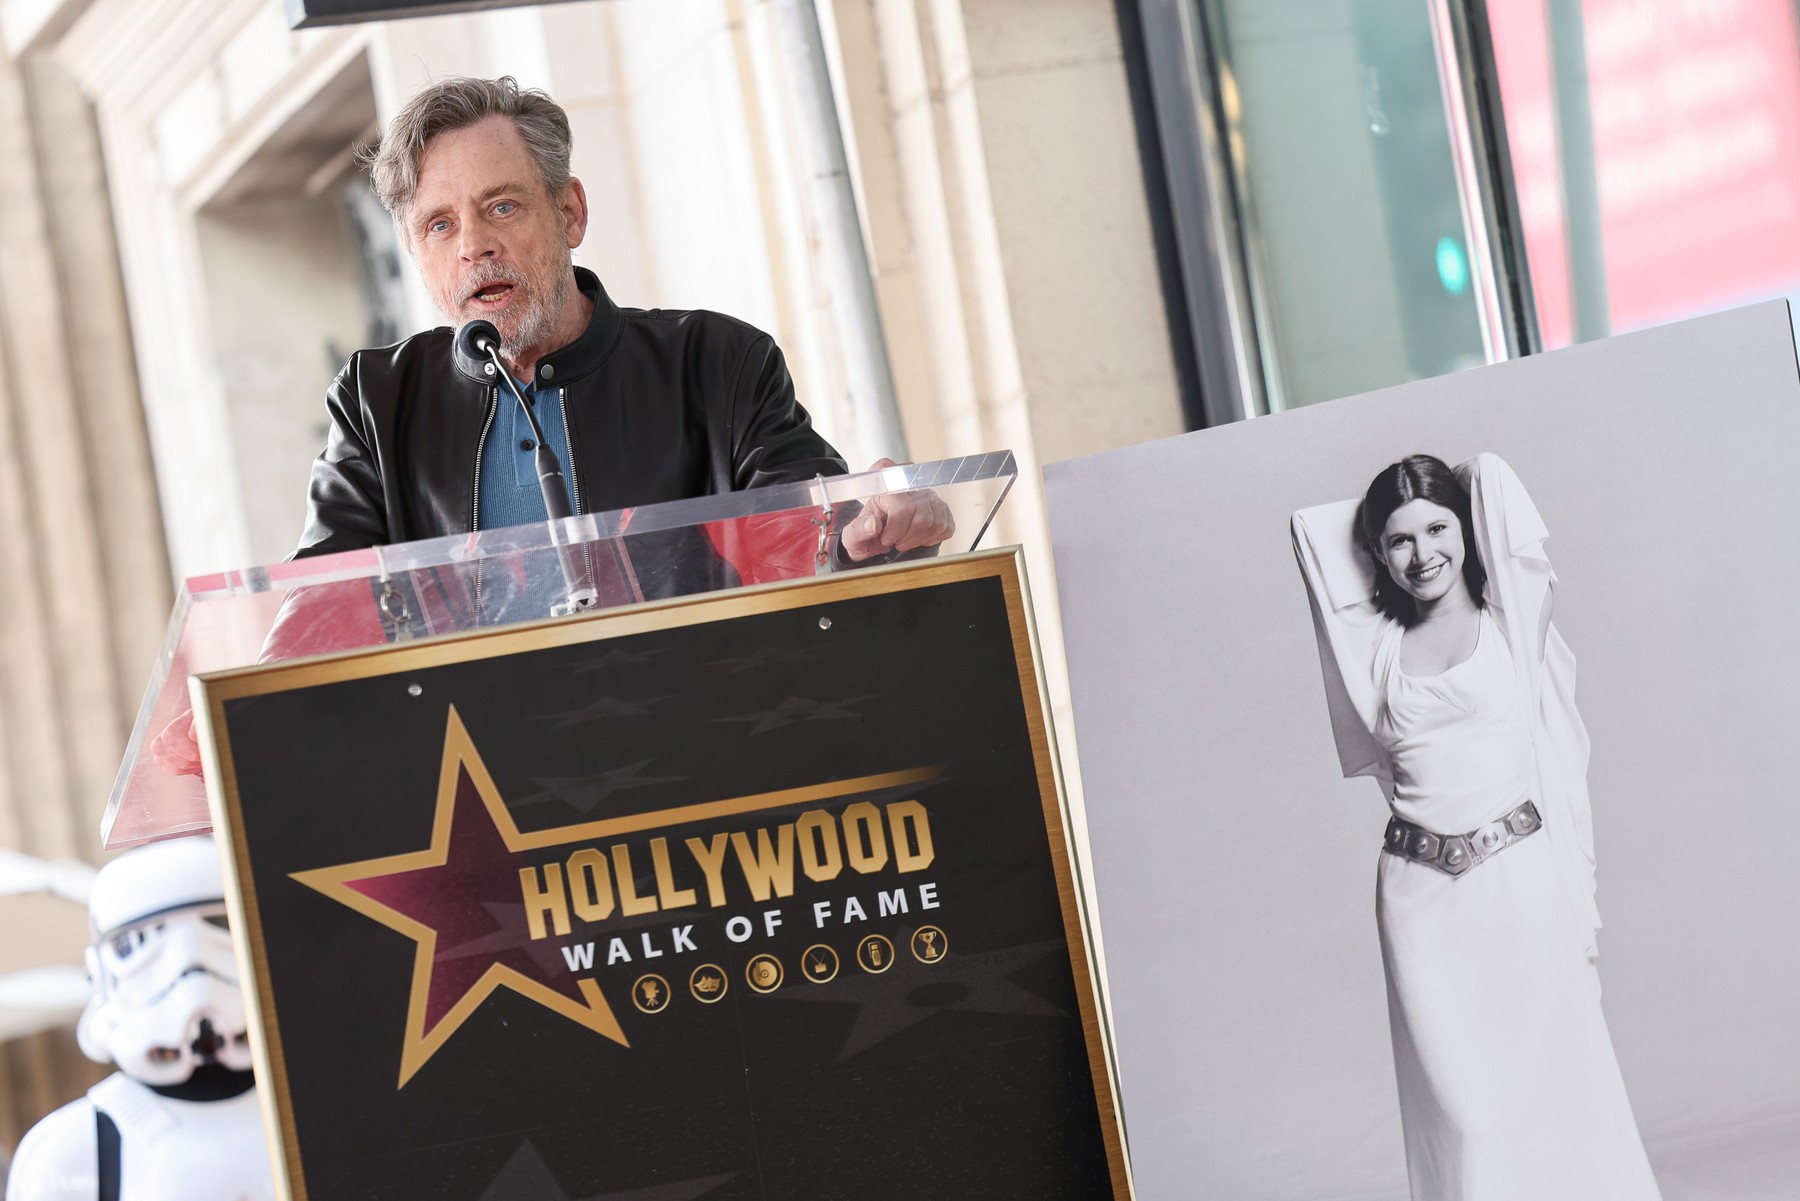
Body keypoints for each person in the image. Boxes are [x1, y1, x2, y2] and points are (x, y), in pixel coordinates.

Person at [297, 73, 948, 566]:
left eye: (501, 208)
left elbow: (817, 540)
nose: (473, 247)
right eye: (439, 225)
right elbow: (318, 617)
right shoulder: (376, 403)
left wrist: (884, 532)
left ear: (571, 213)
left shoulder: (715, 364)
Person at [1291, 453, 1660, 1201]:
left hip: (1521, 884)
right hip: (1420, 906)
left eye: (1437, 527)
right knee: (1464, 1117)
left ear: (1468, 525)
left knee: (1559, 1084)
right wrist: (1394, 508)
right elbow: (1311, 533)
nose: (1422, 553)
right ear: (1375, 553)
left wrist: (1444, 482)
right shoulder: (1374, 653)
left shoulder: (1512, 619)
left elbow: (1491, 477)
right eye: (1398, 540)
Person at [7, 837, 273, 1201]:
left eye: (219, 926)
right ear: (100, 973)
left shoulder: (324, 1108)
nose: (190, 962)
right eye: (139, 944)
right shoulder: (73, 1152)